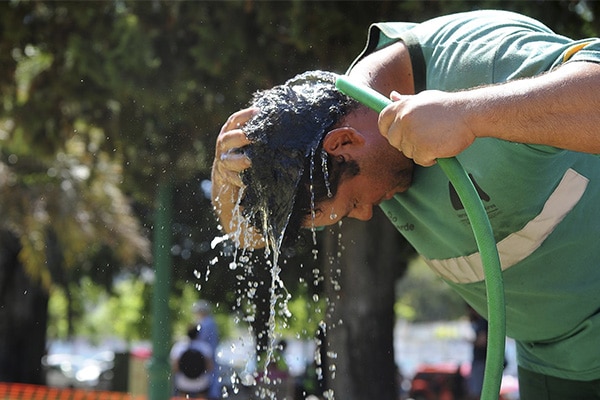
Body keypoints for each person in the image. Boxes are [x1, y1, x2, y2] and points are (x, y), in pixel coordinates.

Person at [211, 9, 600, 400]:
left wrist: (470, 114)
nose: (367, 214)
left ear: (345, 142)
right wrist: (224, 178)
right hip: (555, 364)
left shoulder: (476, 56)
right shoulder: (347, 138)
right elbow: (250, 238)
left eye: (353, 203)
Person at [170, 324, 214, 398]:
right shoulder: (205, 347)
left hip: (182, 383)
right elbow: (210, 367)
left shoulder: (179, 347)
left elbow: (175, 368)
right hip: (201, 383)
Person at [192, 300, 221, 399]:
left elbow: (201, 339)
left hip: (206, 354)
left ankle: (211, 394)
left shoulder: (205, 323)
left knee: (208, 374)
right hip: (210, 352)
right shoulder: (211, 322)